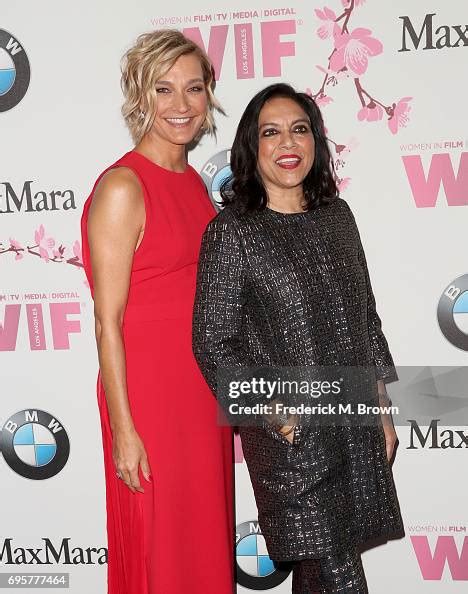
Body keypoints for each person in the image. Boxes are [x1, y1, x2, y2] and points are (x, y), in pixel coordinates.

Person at [192, 83, 404, 593]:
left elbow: (365, 318)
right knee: (339, 576)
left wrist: (381, 408)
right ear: (252, 147)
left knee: (320, 577)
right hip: (293, 442)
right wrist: (274, 412)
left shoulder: (338, 218)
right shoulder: (233, 232)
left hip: (353, 423)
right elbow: (212, 342)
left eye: (299, 129)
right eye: (271, 132)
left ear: (314, 141)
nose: (288, 143)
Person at [80, 30, 234, 594]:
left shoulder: (195, 185)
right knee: (159, 548)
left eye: (193, 88)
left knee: (203, 543)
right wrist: (124, 429)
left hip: (200, 394)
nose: (181, 105)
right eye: (163, 89)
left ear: (208, 94)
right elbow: (107, 322)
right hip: (148, 399)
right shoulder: (123, 187)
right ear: (139, 95)